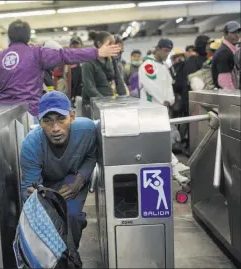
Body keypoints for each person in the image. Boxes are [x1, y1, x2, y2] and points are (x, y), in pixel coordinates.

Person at [0, 19, 121, 120]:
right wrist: (96, 52)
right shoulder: (37, 53)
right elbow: (66, 55)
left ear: (9, 36)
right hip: (32, 114)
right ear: (28, 37)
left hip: (5, 117)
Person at [20, 91, 97, 249]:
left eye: (61, 119)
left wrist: (79, 180)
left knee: (73, 217)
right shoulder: (31, 145)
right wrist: (41, 198)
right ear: (40, 122)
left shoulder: (88, 131)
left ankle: (70, 259)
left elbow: (91, 156)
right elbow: (28, 189)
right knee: (47, 219)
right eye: (47, 121)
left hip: (72, 179)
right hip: (46, 185)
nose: (55, 128)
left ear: (72, 116)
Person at [138, 39, 190, 184]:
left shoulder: (162, 66)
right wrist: (163, 100)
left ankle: (174, 168)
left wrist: (170, 100)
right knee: (157, 140)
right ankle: (175, 167)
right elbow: (150, 86)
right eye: (165, 51)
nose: (167, 54)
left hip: (161, 109)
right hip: (151, 109)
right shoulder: (148, 65)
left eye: (169, 51)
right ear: (158, 48)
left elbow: (168, 86)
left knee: (161, 140)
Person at [81, 31, 127, 117]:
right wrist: (104, 102)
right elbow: (89, 87)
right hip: (93, 106)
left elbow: (118, 79)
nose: (113, 46)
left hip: (110, 103)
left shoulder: (111, 59)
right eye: (110, 44)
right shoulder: (88, 62)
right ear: (99, 44)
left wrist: (124, 98)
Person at [212, 21, 241, 90]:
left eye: (238, 32)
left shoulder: (232, 51)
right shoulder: (224, 53)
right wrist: (234, 97)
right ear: (225, 34)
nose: (237, 35)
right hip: (228, 96)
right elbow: (224, 81)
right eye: (233, 33)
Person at [69, 36, 84, 116]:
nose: (75, 47)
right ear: (70, 46)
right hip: (71, 98)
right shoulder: (67, 62)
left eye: (77, 44)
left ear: (81, 45)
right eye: (73, 45)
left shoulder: (87, 60)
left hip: (84, 96)